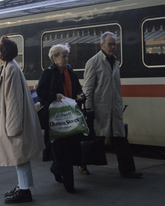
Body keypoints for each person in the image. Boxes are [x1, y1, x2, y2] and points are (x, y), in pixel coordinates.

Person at [83, 32, 143, 178]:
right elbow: (88, 89)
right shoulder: (94, 62)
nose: (112, 47)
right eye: (110, 44)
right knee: (96, 140)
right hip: (100, 110)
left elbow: (116, 87)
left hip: (114, 109)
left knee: (121, 140)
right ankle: (81, 163)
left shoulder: (115, 62)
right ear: (102, 45)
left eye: (114, 44)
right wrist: (89, 109)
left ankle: (127, 170)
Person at [0, 36, 45, 204]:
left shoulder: (10, 70)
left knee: (19, 156)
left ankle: (24, 191)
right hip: (15, 120)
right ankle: (23, 185)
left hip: (15, 122)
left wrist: (13, 127)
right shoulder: (10, 67)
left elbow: (14, 101)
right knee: (19, 156)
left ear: (3, 51)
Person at [37, 44, 85, 194]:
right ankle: (69, 185)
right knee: (62, 150)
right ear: (54, 58)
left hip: (70, 117)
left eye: (67, 56)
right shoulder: (48, 73)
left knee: (69, 150)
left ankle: (56, 168)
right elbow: (41, 91)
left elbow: (78, 89)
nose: (66, 59)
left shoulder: (70, 73)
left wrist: (81, 96)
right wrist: (54, 96)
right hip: (56, 118)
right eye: (63, 56)